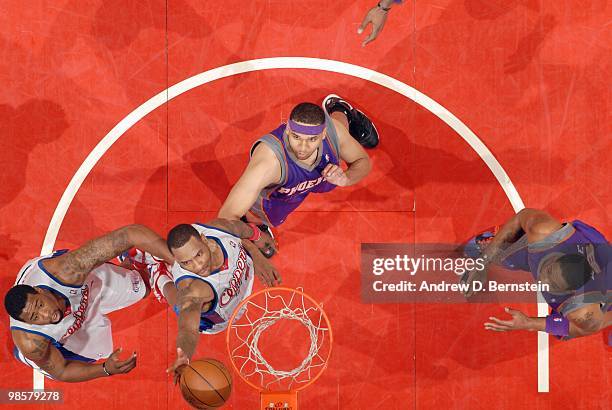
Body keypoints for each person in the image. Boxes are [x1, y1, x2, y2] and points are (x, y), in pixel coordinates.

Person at [3, 224, 175, 382]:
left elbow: (130, 234)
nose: (46, 315)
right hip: (69, 333)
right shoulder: (32, 342)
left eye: (40, 305)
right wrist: (105, 369)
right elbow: (62, 371)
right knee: (95, 354)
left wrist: (178, 265)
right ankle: (29, 360)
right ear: (28, 323)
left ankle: (129, 261)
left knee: (144, 286)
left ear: (40, 291)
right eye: (35, 317)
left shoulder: (68, 270)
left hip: (82, 285)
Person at [218, 96, 375, 256]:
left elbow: (362, 162)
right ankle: (257, 225)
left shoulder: (334, 133)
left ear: (323, 134)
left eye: (312, 139)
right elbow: (225, 217)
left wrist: (347, 178)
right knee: (257, 216)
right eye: (296, 137)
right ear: (287, 130)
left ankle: (341, 109)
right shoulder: (269, 163)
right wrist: (255, 236)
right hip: (279, 196)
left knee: (340, 130)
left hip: (317, 180)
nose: (303, 147)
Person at [460, 208, 611, 342]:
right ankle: (502, 245)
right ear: (557, 256)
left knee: (566, 329)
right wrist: (482, 262)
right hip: (600, 253)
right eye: (549, 272)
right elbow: (521, 218)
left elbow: (583, 328)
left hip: (604, 286)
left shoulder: (583, 310)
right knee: (506, 254)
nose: (543, 281)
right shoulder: (543, 231)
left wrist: (528, 323)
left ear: (571, 292)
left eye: (554, 285)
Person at [162, 219, 280, 382]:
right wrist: (185, 356)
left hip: (237, 290)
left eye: (199, 254)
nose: (197, 266)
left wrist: (257, 240)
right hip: (214, 319)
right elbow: (188, 330)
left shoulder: (220, 230)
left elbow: (241, 229)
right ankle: (158, 276)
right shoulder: (194, 289)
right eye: (186, 263)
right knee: (179, 303)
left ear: (204, 239)